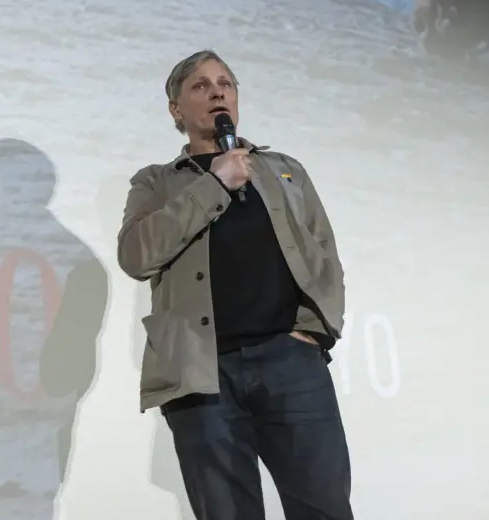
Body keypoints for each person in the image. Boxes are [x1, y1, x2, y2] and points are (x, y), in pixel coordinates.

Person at [117, 49, 353, 520]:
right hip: (201, 374)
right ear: (176, 110)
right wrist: (215, 184)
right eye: (200, 86)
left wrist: (313, 332)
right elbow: (136, 256)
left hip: (290, 361)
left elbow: (324, 250)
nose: (217, 91)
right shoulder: (156, 182)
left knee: (324, 509)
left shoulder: (284, 170)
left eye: (225, 82)